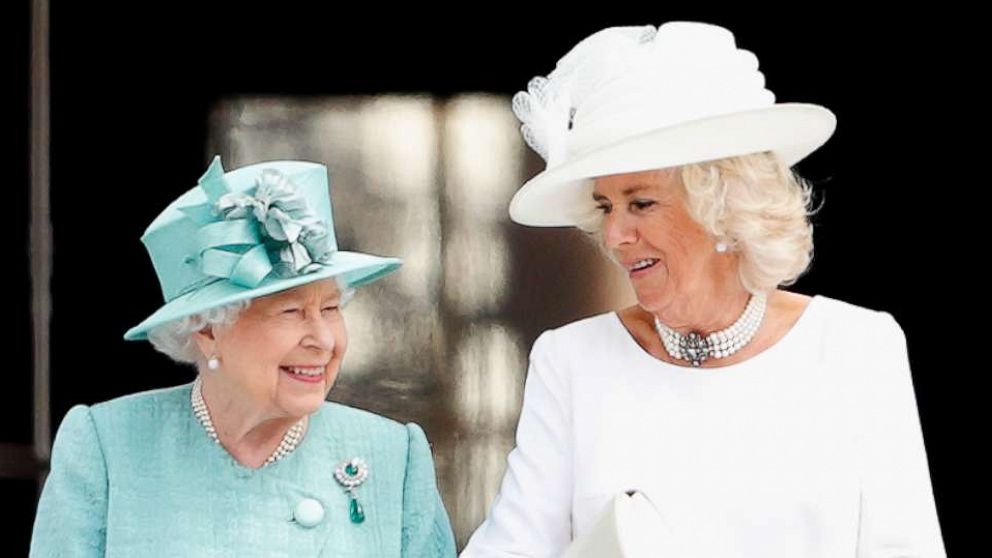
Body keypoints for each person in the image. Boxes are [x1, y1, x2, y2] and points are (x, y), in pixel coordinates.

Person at [461, 21, 946, 557]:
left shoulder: (858, 347)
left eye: (640, 203)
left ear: (725, 207)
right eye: (605, 207)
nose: (616, 235)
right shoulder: (572, 360)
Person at [30, 156, 457, 556]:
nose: (324, 340)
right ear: (208, 329)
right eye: (291, 312)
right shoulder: (107, 446)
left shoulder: (392, 457)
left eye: (330, 309)